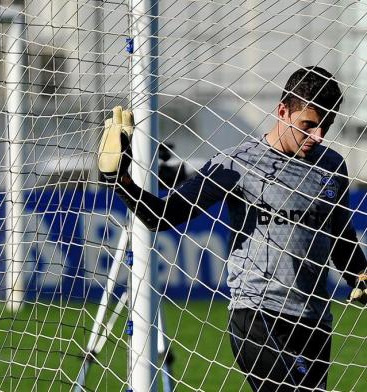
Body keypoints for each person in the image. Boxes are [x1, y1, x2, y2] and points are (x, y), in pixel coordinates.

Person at [98, 66, 367, 391]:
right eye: (308, 125)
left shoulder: (332, 166)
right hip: (257, 313)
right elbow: (164, 216)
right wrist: (121, 181)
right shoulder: (236, 164)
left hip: (314, 320)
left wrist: (359, 276)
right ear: (282, 111)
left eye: (326, 125)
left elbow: (340, 239)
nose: (318, 136)